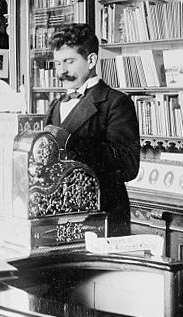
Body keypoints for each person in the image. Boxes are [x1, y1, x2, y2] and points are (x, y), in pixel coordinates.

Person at [46, 23, 140, 236]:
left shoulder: (116, 102)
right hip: (61, 213)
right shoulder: (56, 105)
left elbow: (128, 165)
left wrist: (72, 142)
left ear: (91, 60)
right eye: (57, 63)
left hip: (102, 213)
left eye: (69, 61)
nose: (61, 71)